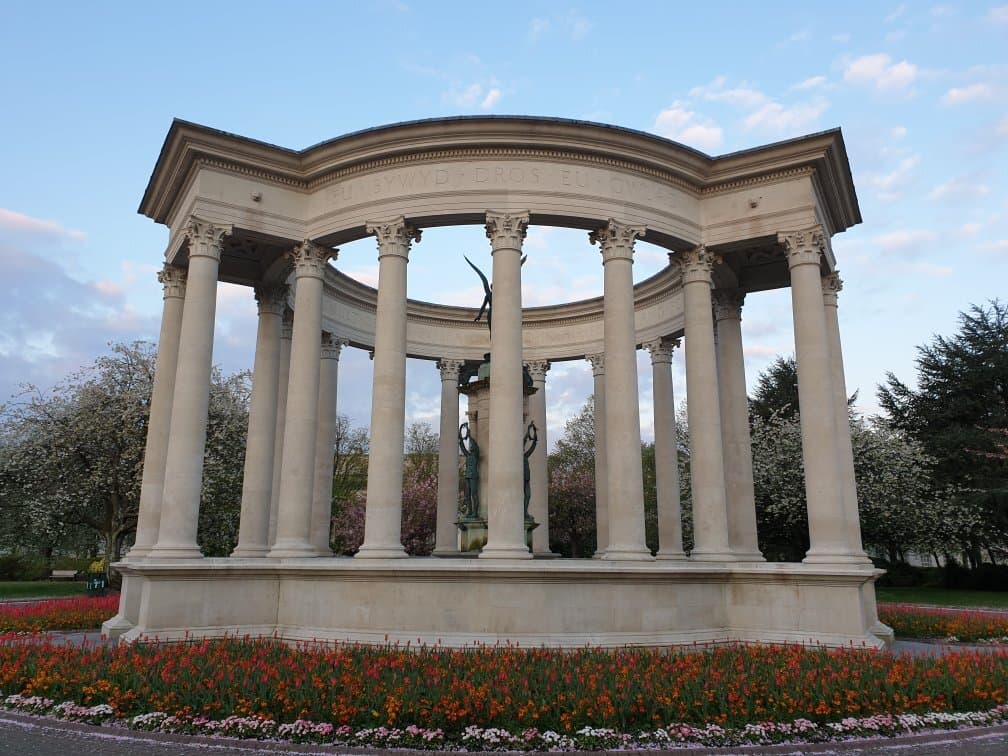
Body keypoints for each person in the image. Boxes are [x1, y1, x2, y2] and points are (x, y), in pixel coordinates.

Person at [459, 422, 480, 518]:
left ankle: (475, 512)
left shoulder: (476, 455)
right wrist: (460, 436)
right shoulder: (468, 455)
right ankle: (469, 510)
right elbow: (462, 447)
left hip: (473, 476)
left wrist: (468, 433)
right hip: (468, 476)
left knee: (474, 494)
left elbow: (475, 445)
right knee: (467, 495)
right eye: (470, 446)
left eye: (472, 446)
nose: (471, 446)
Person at [522, 421, 537, 520]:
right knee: (523, 496)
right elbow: (523, 441)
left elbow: (532, 447)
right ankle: (523, 512)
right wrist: (528, 431)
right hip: (521, 479)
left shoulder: (525, 456)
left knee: (528, 496)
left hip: (526, 479)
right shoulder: (517, 458)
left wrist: (534, 435)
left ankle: (524, 512)